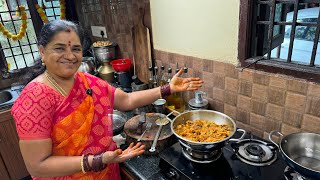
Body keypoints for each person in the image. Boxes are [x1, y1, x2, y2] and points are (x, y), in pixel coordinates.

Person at [11, 20, 203, 179]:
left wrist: (168, 88)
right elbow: (37, 166)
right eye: (59, 48)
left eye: (76, 49)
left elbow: (126, 100)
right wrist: (97, 160)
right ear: (42, 52)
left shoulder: (87, 81)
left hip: (106, 172)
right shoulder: (35, 98)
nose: (70, 56)